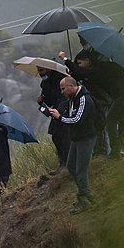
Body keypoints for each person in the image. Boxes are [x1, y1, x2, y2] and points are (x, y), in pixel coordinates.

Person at [47, 76, 97, 214]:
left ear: (71, 86)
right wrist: (57, 115)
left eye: (63, 89)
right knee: (71, 166)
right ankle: (86, 193)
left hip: (86, 138)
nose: (62, 92)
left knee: (80, 169)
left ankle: (84, 198)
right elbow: (68, 115)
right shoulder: (71, 99)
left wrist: (60, 117)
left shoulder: (84, 99)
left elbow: (76, 119)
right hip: (76, 138)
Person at [35, 65, 68, 175]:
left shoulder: (60, 78)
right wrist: (41, 101)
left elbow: (63, 96)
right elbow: (49, 101)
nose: (40, 73)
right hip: (55, 110)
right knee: (56, 136)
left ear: (48, 68)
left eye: (41, 70)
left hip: (64, 108)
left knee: (64, 136)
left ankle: (67, 163)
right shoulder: (44, 83)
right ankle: (62, 163)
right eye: (38, 71)